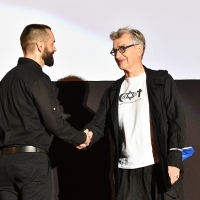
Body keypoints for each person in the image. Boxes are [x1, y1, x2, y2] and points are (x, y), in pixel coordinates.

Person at [77, 27, 186, 199]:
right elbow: (98, 124)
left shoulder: (160, 81)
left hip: (158, 167)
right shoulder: (113, 91)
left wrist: (174, 160)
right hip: (127, 173)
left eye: (122, 49)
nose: (117, 55)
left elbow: (176, 121)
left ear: (139, 49)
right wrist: (86, 136)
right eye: (114, 50)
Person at [0, 24, 91, 200]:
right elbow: (54, 122)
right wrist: (81, 138)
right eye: (52, 43)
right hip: (30, 164)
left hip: (3, 165)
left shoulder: (5, 80)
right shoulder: (37, 78)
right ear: (40, 45)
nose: (54, 48)